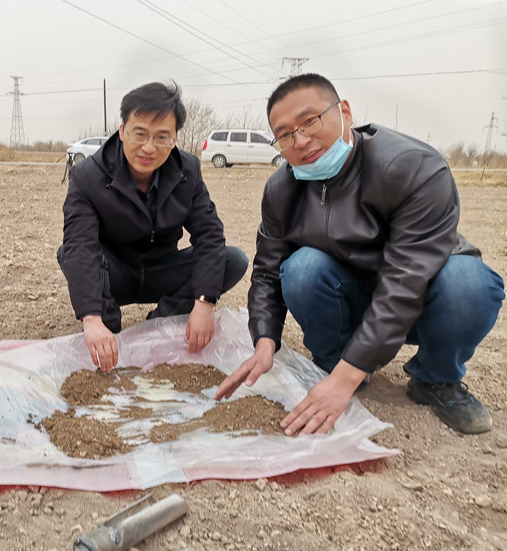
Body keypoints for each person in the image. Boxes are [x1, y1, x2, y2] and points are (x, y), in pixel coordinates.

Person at [216, 73, 504, 436]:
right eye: (286, 134)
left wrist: (343, 380)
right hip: (349, 297)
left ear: (346, 112)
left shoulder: (412, 167)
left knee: (469, 283)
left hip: (423, 298)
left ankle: (434, 379)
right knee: (302, 269)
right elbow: (268, 271)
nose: (301, 140)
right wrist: (264, 340)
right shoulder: (282, 188)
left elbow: (404, 283)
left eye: (310, 121)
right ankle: (342, 368)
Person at [57, 81, 248, 372]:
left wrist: (205, 302)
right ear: (122, 130)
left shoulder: (188, 171)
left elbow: (209, 234)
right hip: (114, 273)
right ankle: (110, 331)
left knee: (233, 259)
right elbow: (80, 243)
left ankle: (161, 324)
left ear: (174, 138)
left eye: (162, 137)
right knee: (69, 253)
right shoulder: (88, 175)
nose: (149, 147)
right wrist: (91, 319)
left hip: (162, 269)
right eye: (140, 134)